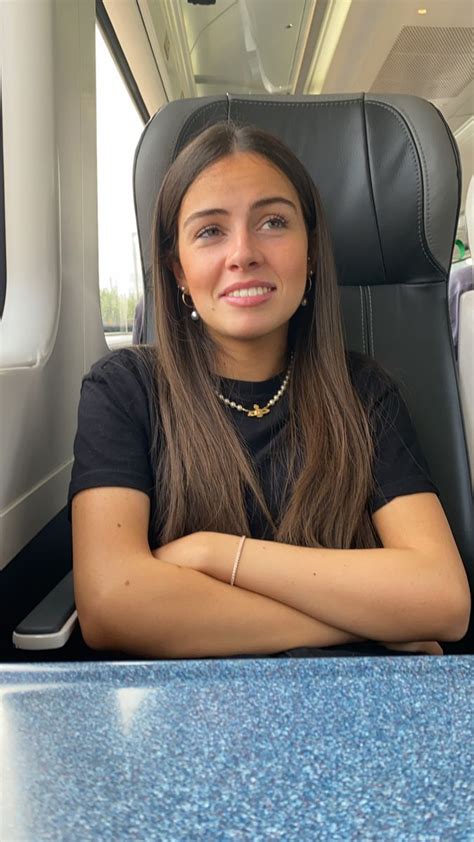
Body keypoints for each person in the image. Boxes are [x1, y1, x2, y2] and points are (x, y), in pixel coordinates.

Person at [68, 122, 470, 659]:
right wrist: (375, 622)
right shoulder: (122, 391)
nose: (244, 253)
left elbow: (442, 598)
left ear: (310, 252)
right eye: (210, 231)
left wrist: (215, 554)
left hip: (357, 704)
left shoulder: (365, 394)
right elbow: (112, 605)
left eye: (273, 222)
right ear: (178, 271)